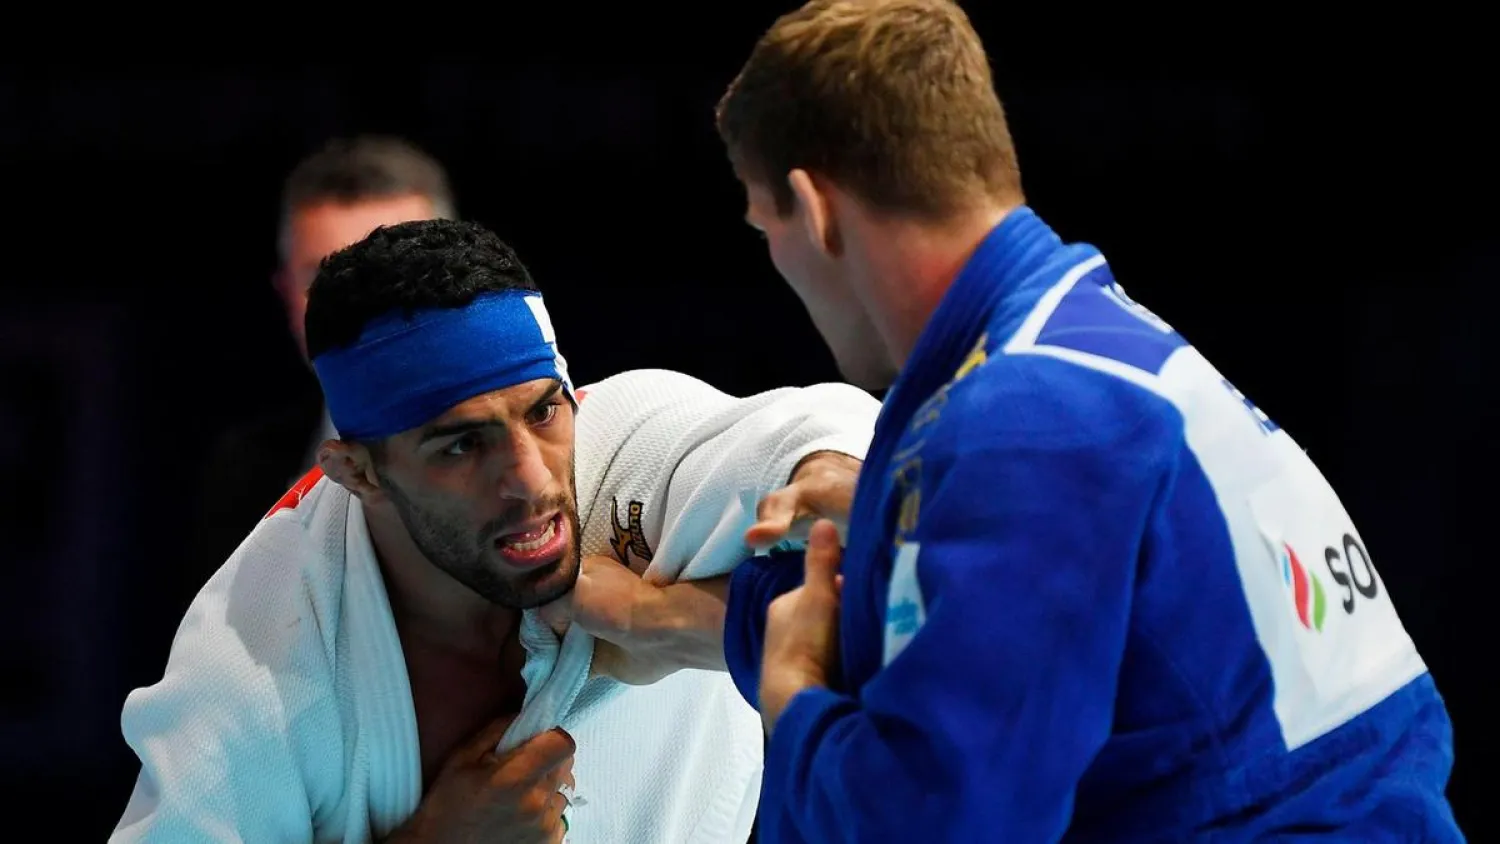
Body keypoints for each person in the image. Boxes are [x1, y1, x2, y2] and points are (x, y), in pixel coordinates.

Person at [703, 1, 1465, 841]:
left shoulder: (1024, 423)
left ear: (815, 209)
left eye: (762, 225)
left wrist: (796, 697)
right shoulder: (1090, 350)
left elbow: (940, 824)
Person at [111, 219, 882, 843]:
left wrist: (828, 475)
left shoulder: (619, 454)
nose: (533, 479)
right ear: (360, 474)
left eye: (543, 410)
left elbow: (798, 430)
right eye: (461, 444)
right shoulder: (259, 660)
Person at [187, 135, 455, 596]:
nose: (360, 306)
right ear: (286, 293)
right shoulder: (243, 471)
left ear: (456, 276)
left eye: (394, 271)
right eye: (323, 278)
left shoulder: (551, 450)